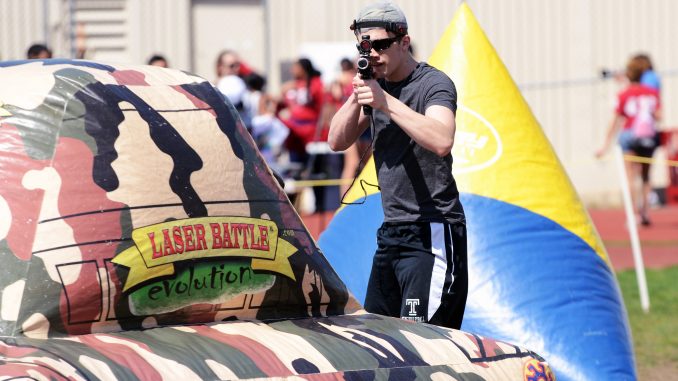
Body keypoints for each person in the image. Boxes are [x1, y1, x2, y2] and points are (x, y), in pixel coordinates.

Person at [328, 1, 467, 329]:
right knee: (380, 339)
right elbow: (336, 140)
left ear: (404, 42)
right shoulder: (375, 86)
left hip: (431, 230)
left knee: (424, 341)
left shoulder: (433, 84)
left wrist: (384, 101)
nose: (372, 53)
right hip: (392, 232)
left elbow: (441, 138)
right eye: (365, 46)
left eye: (380, 45)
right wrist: (359, 93)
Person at [596, 55, 661, 226]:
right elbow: (659, 116)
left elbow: (615, 120)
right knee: (646, 175)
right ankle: (645, 213)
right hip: (648, 136)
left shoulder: (624, 94)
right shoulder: (652, 92)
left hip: (629, 135)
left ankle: (633, 215)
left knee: (630, 176)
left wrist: (605, 146)